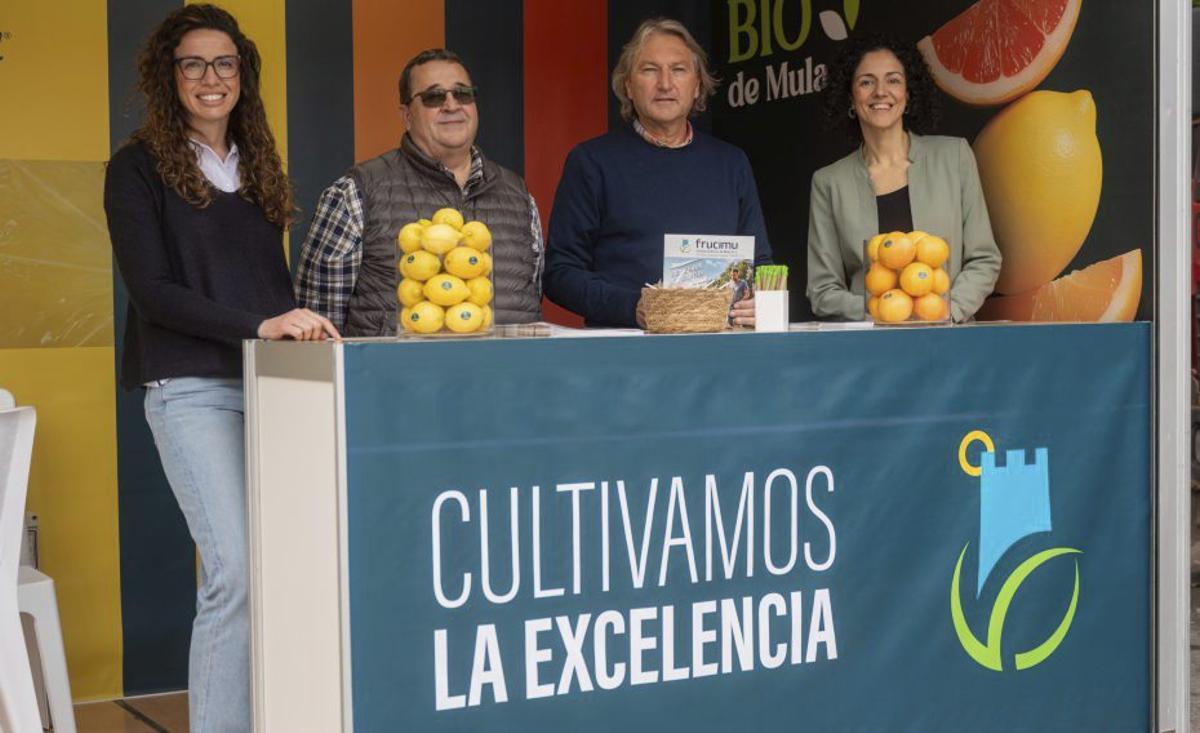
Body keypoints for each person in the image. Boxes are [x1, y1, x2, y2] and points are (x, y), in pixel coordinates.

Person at [104, 6, 337, 731]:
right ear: (168, 76)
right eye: (194, 64)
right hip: (190, 389)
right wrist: (260, 325)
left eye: (226, 63)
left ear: (244, 74)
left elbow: (268, 288)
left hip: (273, 390)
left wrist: (302, 326)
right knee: (234, 573)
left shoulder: (256, 163)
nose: (212, 78)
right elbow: (153, 293)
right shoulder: (137, 166)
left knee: (286, 569)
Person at [543, 18, 772, 329]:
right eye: (649, 70)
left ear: (698, 85)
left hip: (721, 349)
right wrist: (632, 308)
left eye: (678, 70)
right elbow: (560, 274)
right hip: (626, 355)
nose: (665, 84)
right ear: (628, 86)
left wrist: (760, 299)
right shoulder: (591, 162)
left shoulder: (732, 163)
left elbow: (761, 263)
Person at [295, 49, 543, 335]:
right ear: (407, 115)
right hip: (394, 377)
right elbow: (320, 328)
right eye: (434, 97)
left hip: (503, 376)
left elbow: (531, 297)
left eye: (463, 94)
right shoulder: (355, 193)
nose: (452, 105)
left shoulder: (518, 195)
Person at [806, 33, 1001, 322]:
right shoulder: (829, 182)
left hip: (949, 341)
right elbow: (822, 291)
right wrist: (880, 310)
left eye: (893, 80)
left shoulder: (955, 156)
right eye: (866, 82)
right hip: (872, 351)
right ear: (850, 97)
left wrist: (948, 311)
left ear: (908, 95)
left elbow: (984, 259)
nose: (880, 92)